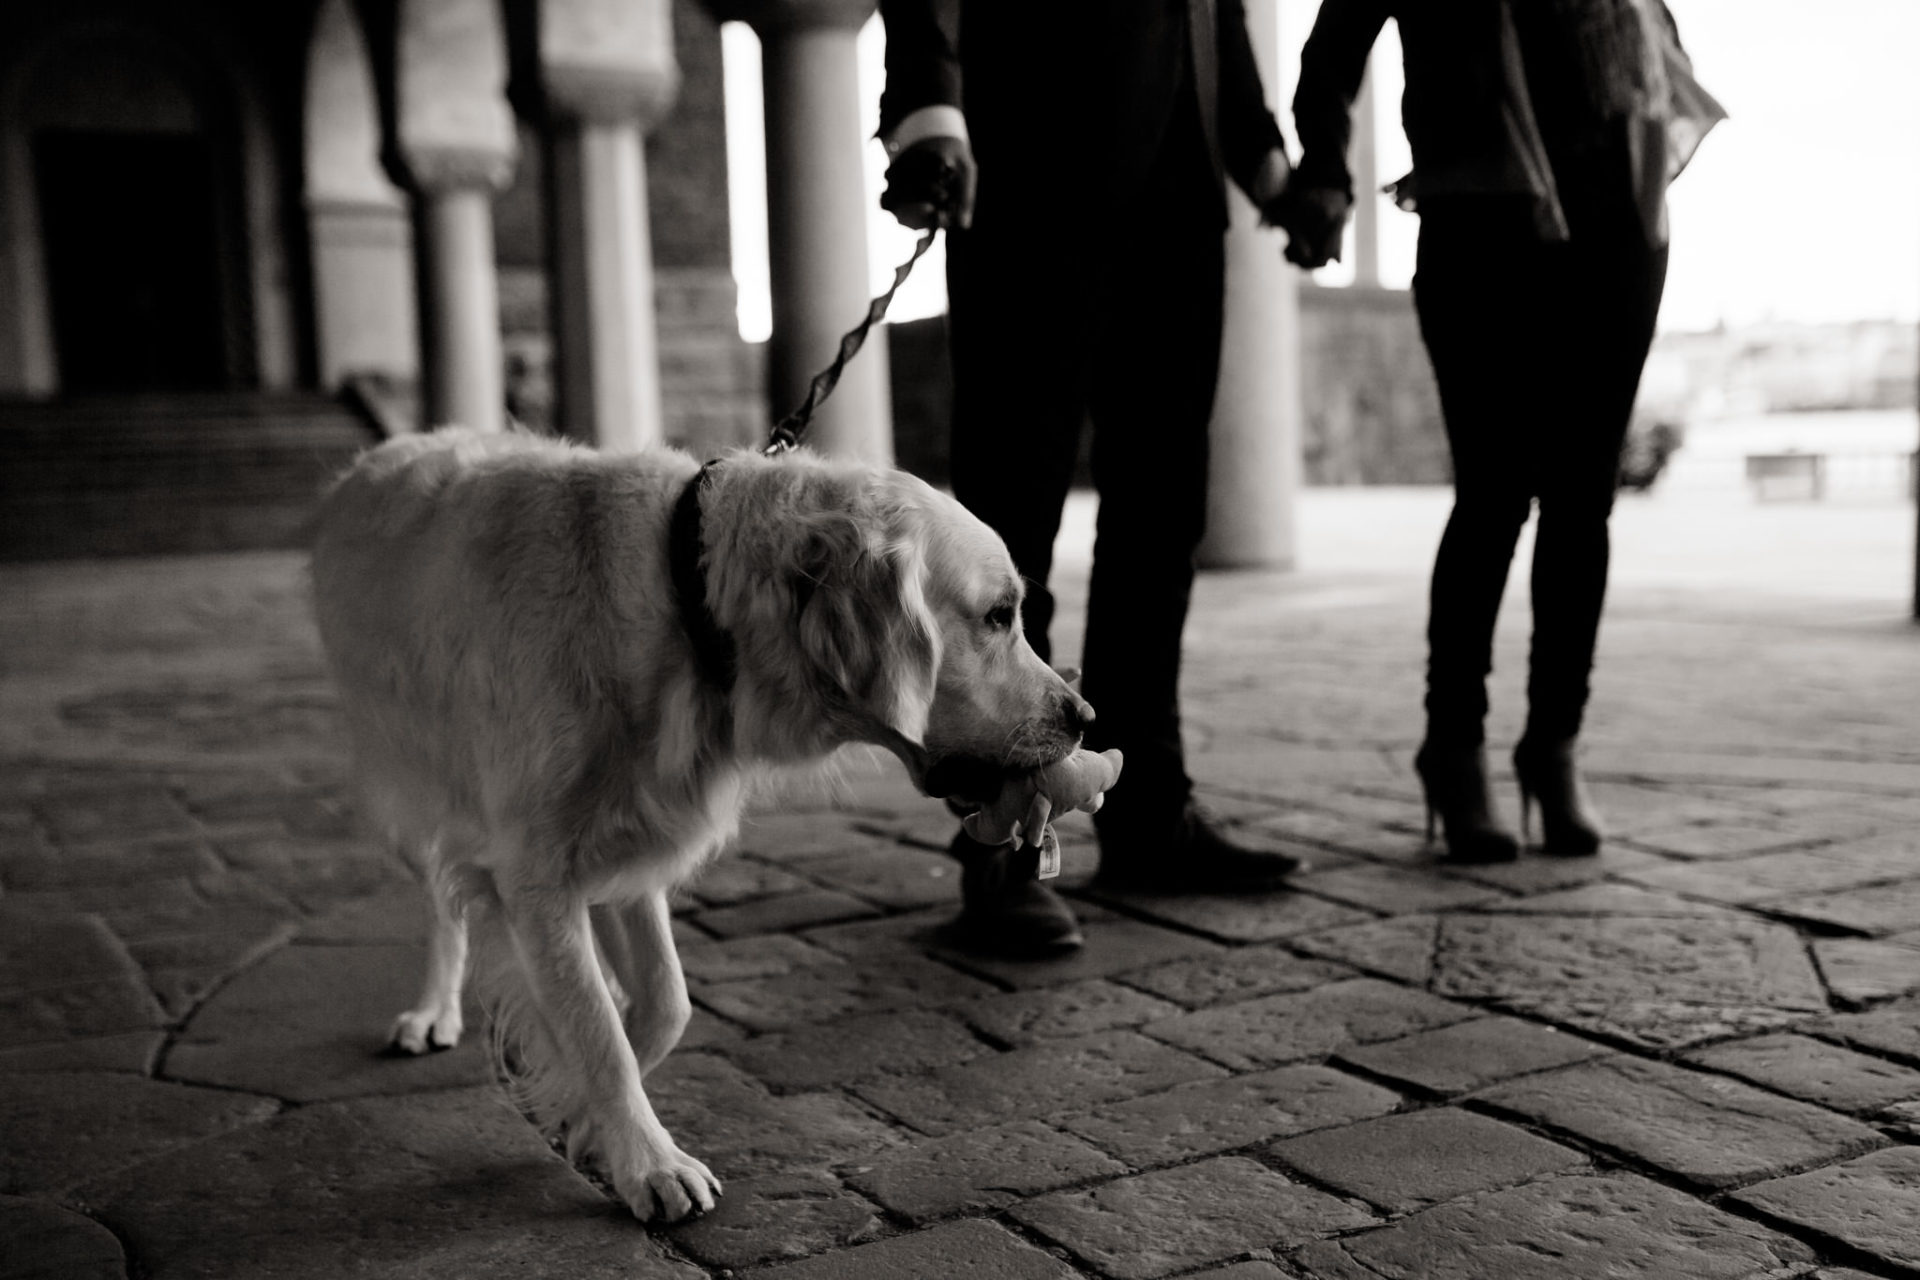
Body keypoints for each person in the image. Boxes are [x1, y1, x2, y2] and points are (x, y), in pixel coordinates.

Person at [877, 0, 1309, 955]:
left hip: (1185, 195)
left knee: (1165, 511)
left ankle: (1148, 802)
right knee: (1010, 520)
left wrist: (1267, 164)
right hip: (1033, 163)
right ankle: (998, 834)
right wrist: (928, 111)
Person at [1281, 0, 1723, 861]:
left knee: (1583, 499)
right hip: (1482, 224)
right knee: (1493, 496)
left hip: (1620, 225)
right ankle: (1454, 747)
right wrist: (1327, 171)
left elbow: (1655, 35)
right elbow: (1330, 55)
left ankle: (1553, 746)